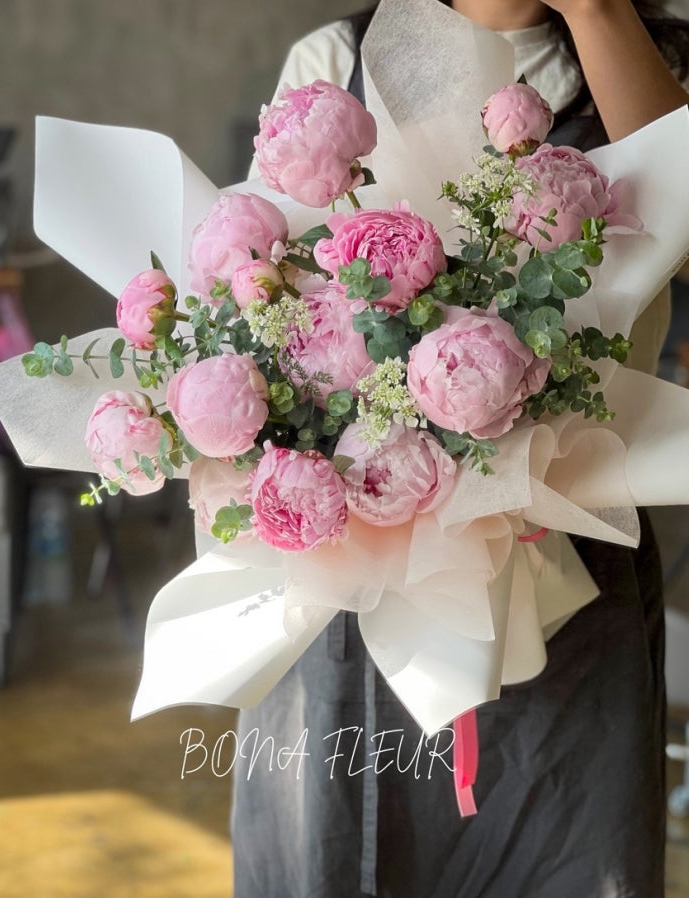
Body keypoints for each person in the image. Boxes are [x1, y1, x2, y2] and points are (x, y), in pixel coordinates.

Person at [234, 3, 689, 896]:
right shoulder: (338, 61)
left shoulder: (653, 62)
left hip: (571, 565)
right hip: (359, 572)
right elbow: (257, 303)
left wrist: (594, 10)